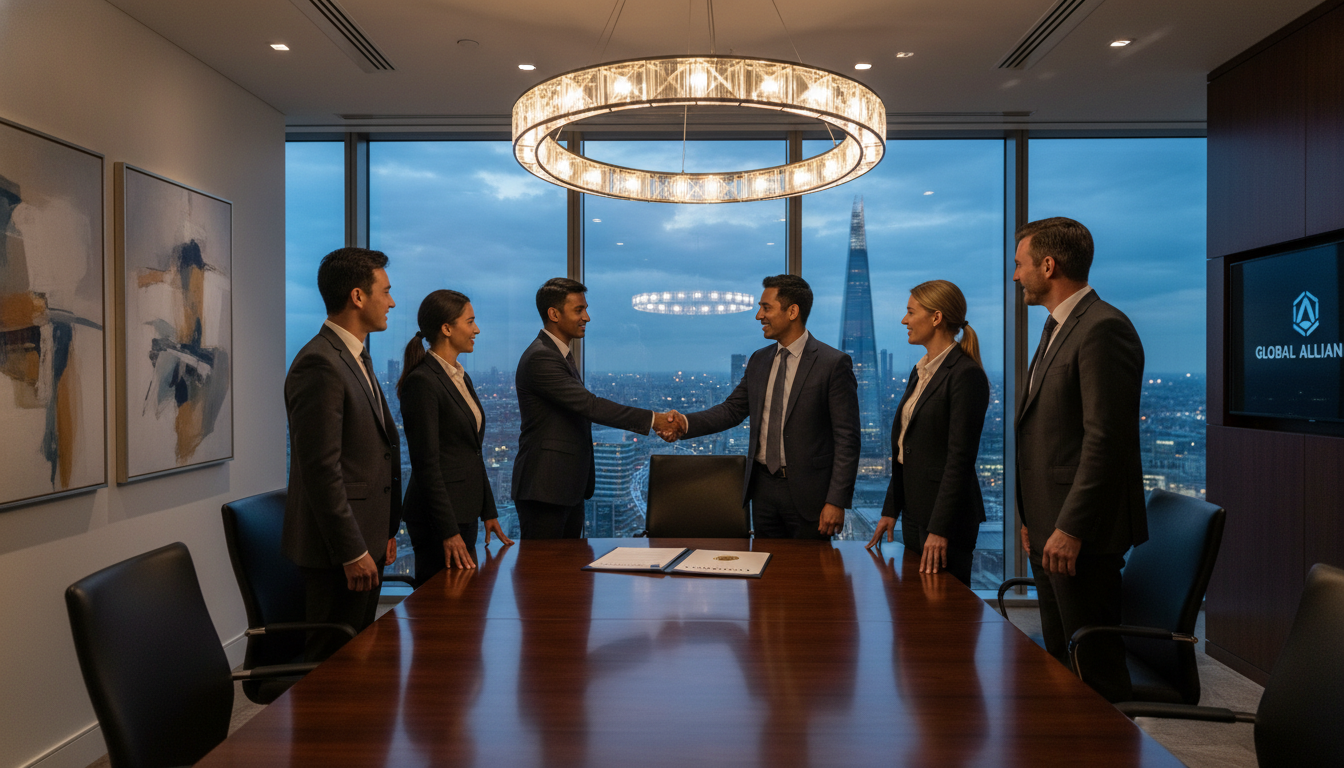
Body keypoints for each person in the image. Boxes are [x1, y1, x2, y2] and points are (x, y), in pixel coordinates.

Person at [1013, 216, 1146, 702]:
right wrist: (1034, 519)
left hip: (1081, 536)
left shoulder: (1102, 327)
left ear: (1048, 266)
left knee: (1095, 674)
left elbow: (1104, 442)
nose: (1014, 275)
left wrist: (1070, 527)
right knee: (1060, 666)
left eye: (1020, 264)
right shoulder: (1058, 327)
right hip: (1050, 527)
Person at [657, 275, 860, 539]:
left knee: (809, 574)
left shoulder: (833, 364)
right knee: (765, 572)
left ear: (792, 311)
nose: (758, 316)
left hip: (811, 495)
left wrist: (836, 500)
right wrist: (684, 422)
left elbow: (847, 439)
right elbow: (732, 410)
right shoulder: (760, 360)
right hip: (762, 491)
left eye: (766, 307)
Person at [283, 246, 401, 662]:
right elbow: (321, 470)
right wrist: (353, 550)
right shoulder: (320, 363)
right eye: (385, 291)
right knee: (331, 671)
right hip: (337, 554)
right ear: (357, 296)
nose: (391, 301)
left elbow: (372, 453)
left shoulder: (355, 357)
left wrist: (384, 530)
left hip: (364, 541)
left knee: (359, 662)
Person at [512, 277, 676, 539]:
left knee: (564, 571)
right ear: (554, 313)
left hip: (562, 486)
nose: (586, 317)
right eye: (579, 310)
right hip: (544, 487)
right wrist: (654, 419)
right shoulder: (542, 356)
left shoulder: (557, 354)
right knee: (545, 573)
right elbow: (589, 405)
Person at [866, 280, 990, 587]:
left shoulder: (965, 374)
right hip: (916, 512)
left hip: (946, 520)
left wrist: (940, 529)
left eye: (910, 312)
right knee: (917, 609)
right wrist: (890, 509)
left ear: (936, 318)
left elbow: (959, 460)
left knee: (944, 613)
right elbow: (906, 449)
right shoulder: (921, 371)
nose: (904, 320)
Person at [398, 290, 513, 585]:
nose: (476, 330)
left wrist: (488, 510)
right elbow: (426, 463)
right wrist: (448, 531)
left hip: (464, 512)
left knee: (465, 607)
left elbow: (471, 452)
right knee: (443, 610)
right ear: (447, 329)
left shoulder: (459, 376)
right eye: (470, 322)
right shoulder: (422, 382)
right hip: (438, 520)